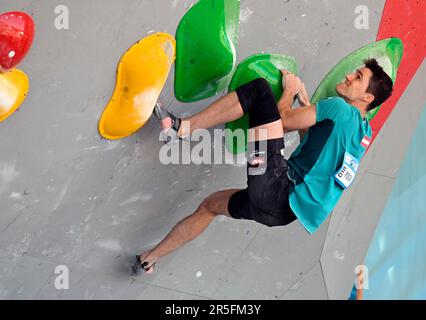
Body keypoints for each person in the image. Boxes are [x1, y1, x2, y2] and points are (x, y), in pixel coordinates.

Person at [132, 58, 393, 275]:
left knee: (258, 91)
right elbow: (314, 152)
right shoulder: (362, 135)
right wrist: (309, 112)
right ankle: (149, 258)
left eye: (358, 77)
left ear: (367, 96)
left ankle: (183, 128)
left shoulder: (339, 109)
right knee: (211, 206)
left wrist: (289, 92)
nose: (348, 76)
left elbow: (284, 122)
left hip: (277, 187)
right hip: (280, 214)